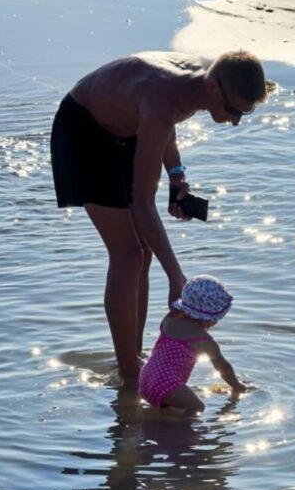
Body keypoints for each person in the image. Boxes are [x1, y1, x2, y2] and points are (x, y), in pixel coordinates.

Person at [50, 50, 266, 386]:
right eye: (234, 111)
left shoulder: (203, 81)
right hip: (84, 131)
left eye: (244, 114)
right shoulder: (162, 97)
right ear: (213, 87)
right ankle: (129, 376)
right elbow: (143, 203)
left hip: (127, 127)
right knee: (129, 254)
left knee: (144, 250)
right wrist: (175, 276)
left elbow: (167, 123)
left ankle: (134, 356)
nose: (236, 121)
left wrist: (176, 175)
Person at [139, 275, 246, 413]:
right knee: (197, 408)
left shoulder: (169, 321)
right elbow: (222, 366)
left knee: (169, 406)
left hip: (146, 377)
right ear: (211, 320)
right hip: (167, 384)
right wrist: (236, 386)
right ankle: (179, 431)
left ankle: (160, 420)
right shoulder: (203, 339)